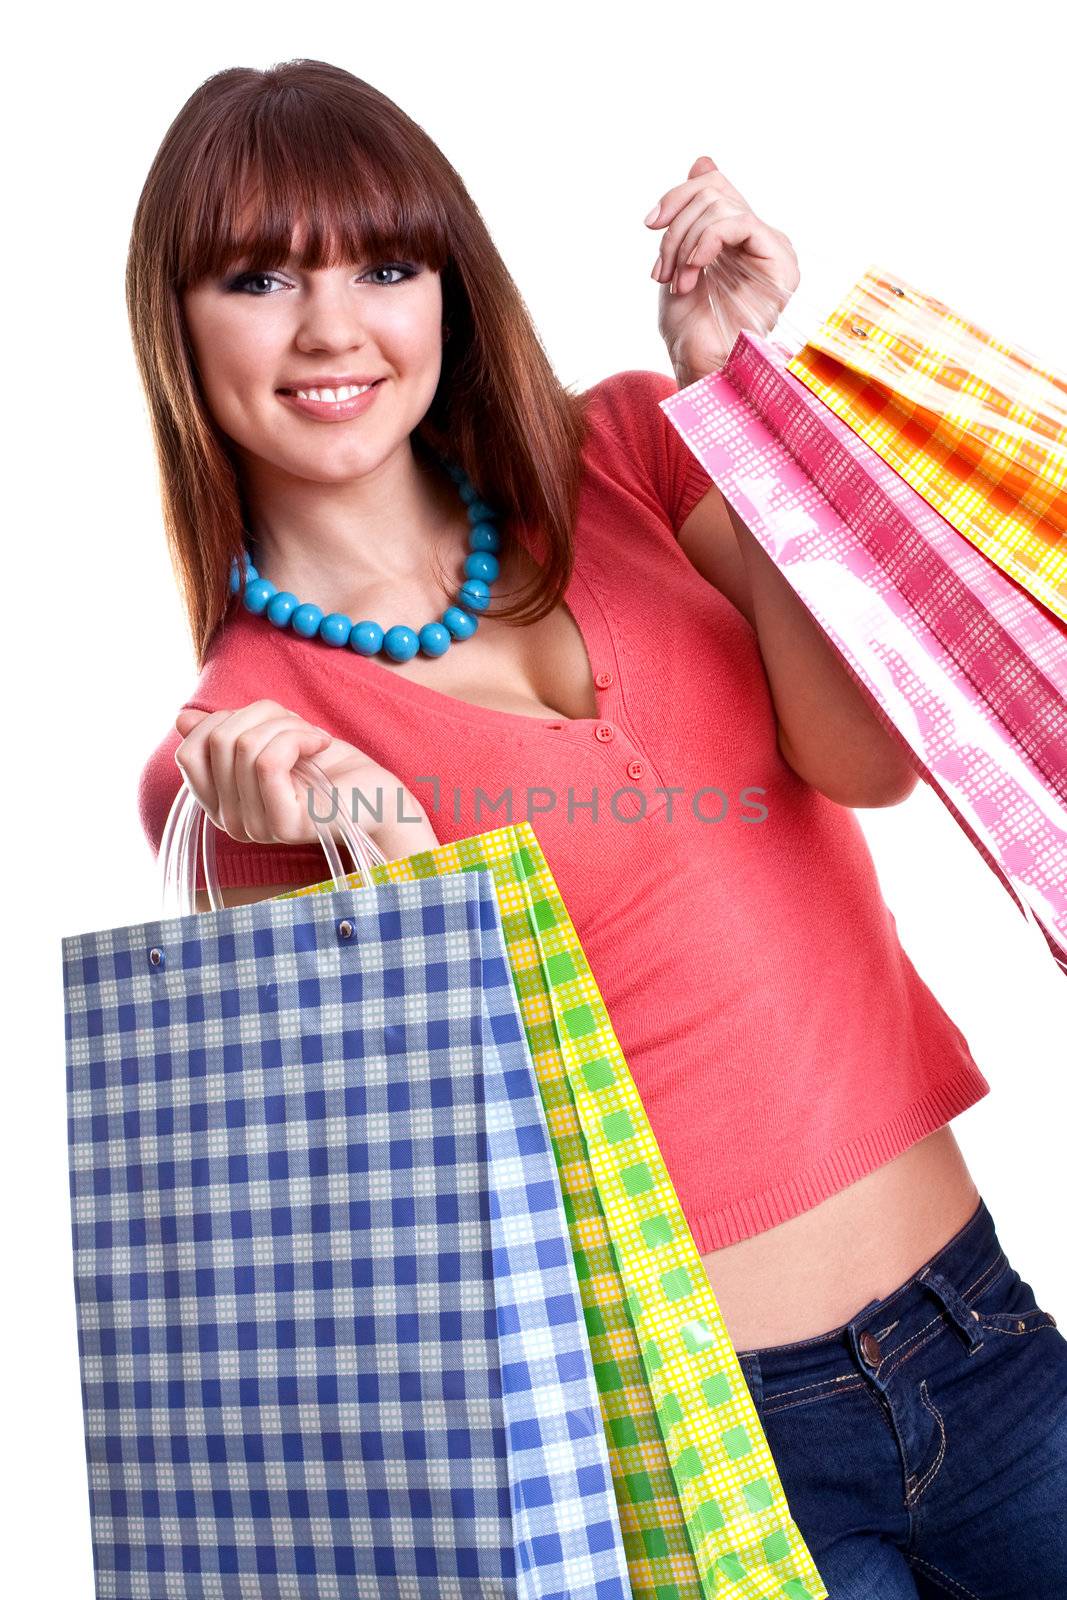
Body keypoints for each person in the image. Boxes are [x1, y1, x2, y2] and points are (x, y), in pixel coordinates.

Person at [134, 57, 1067, 1595]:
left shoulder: (632, 447)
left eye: (384, 261)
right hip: (704, 1454)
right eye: (256, 276)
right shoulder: (230, 758)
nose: (330, 328)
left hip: (978, 1324)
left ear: (449, 283)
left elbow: (862, 761)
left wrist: (751, 402)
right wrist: (354, 846)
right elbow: (399, 1210)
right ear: (177, 327)